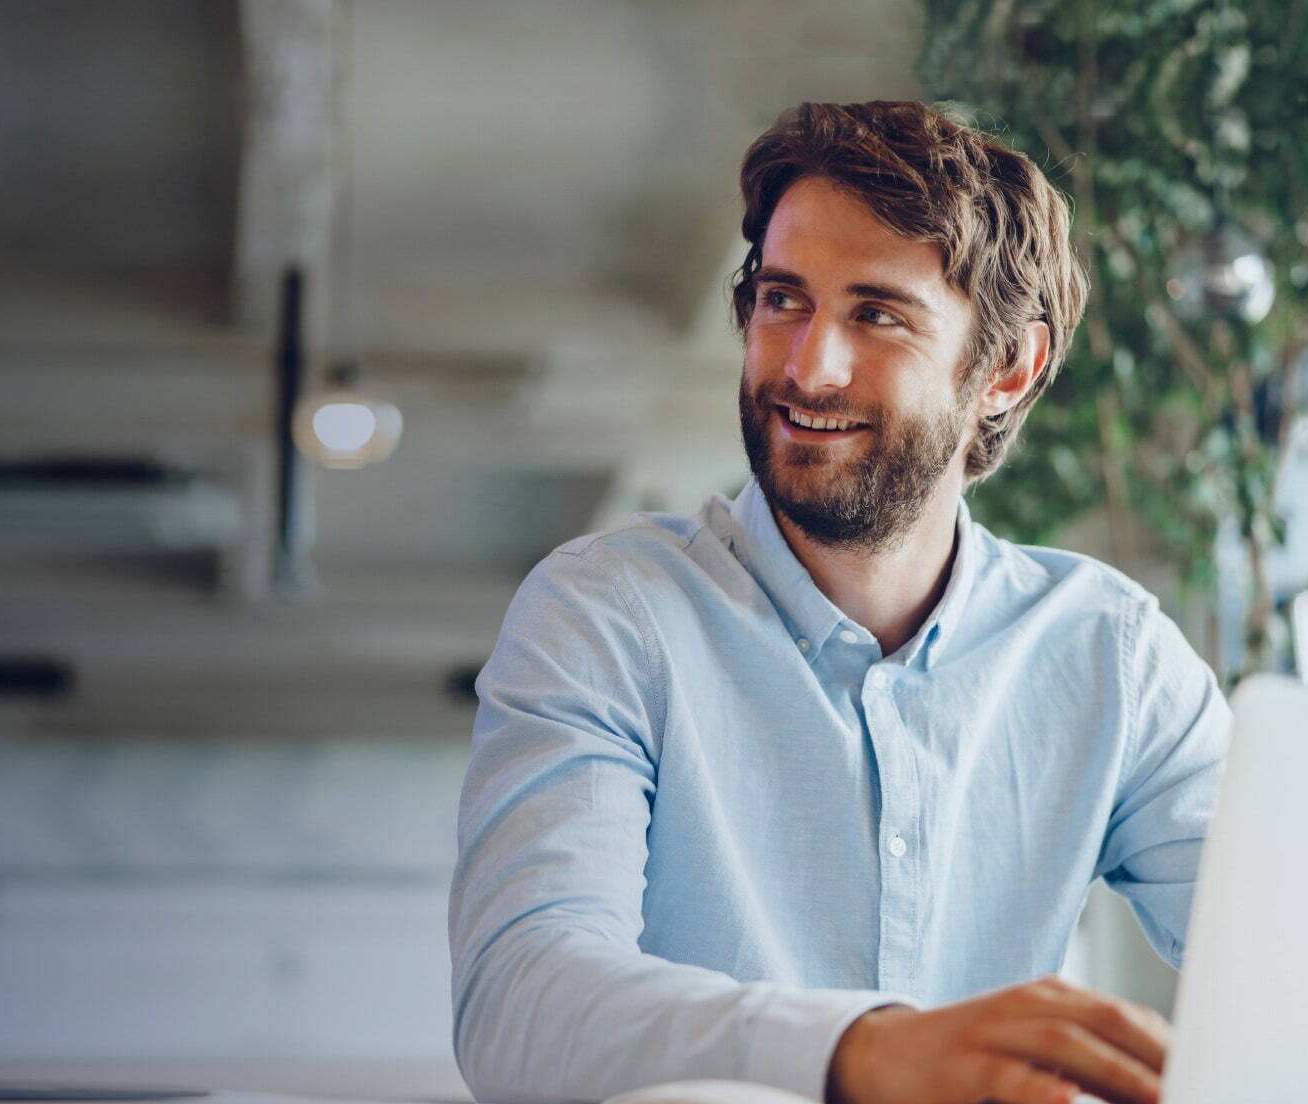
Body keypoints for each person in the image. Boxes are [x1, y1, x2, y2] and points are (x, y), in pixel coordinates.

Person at [448, 101, 1229, 1104]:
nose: (808, 366)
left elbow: (1277, 950)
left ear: (1006, 368)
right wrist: (862, 1051)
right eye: (784, 300)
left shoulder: (1110, 655)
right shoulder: (608, 612)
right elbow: (523, 1005)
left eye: (877, 313)